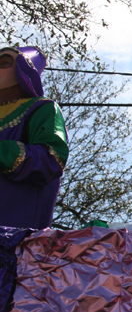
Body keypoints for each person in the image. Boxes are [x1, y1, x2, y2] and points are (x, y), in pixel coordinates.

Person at [0, 47, 69, 229]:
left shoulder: (41, 109)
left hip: (11, 234)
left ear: (22, 70)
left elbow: (51, 160)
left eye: (4, 63)